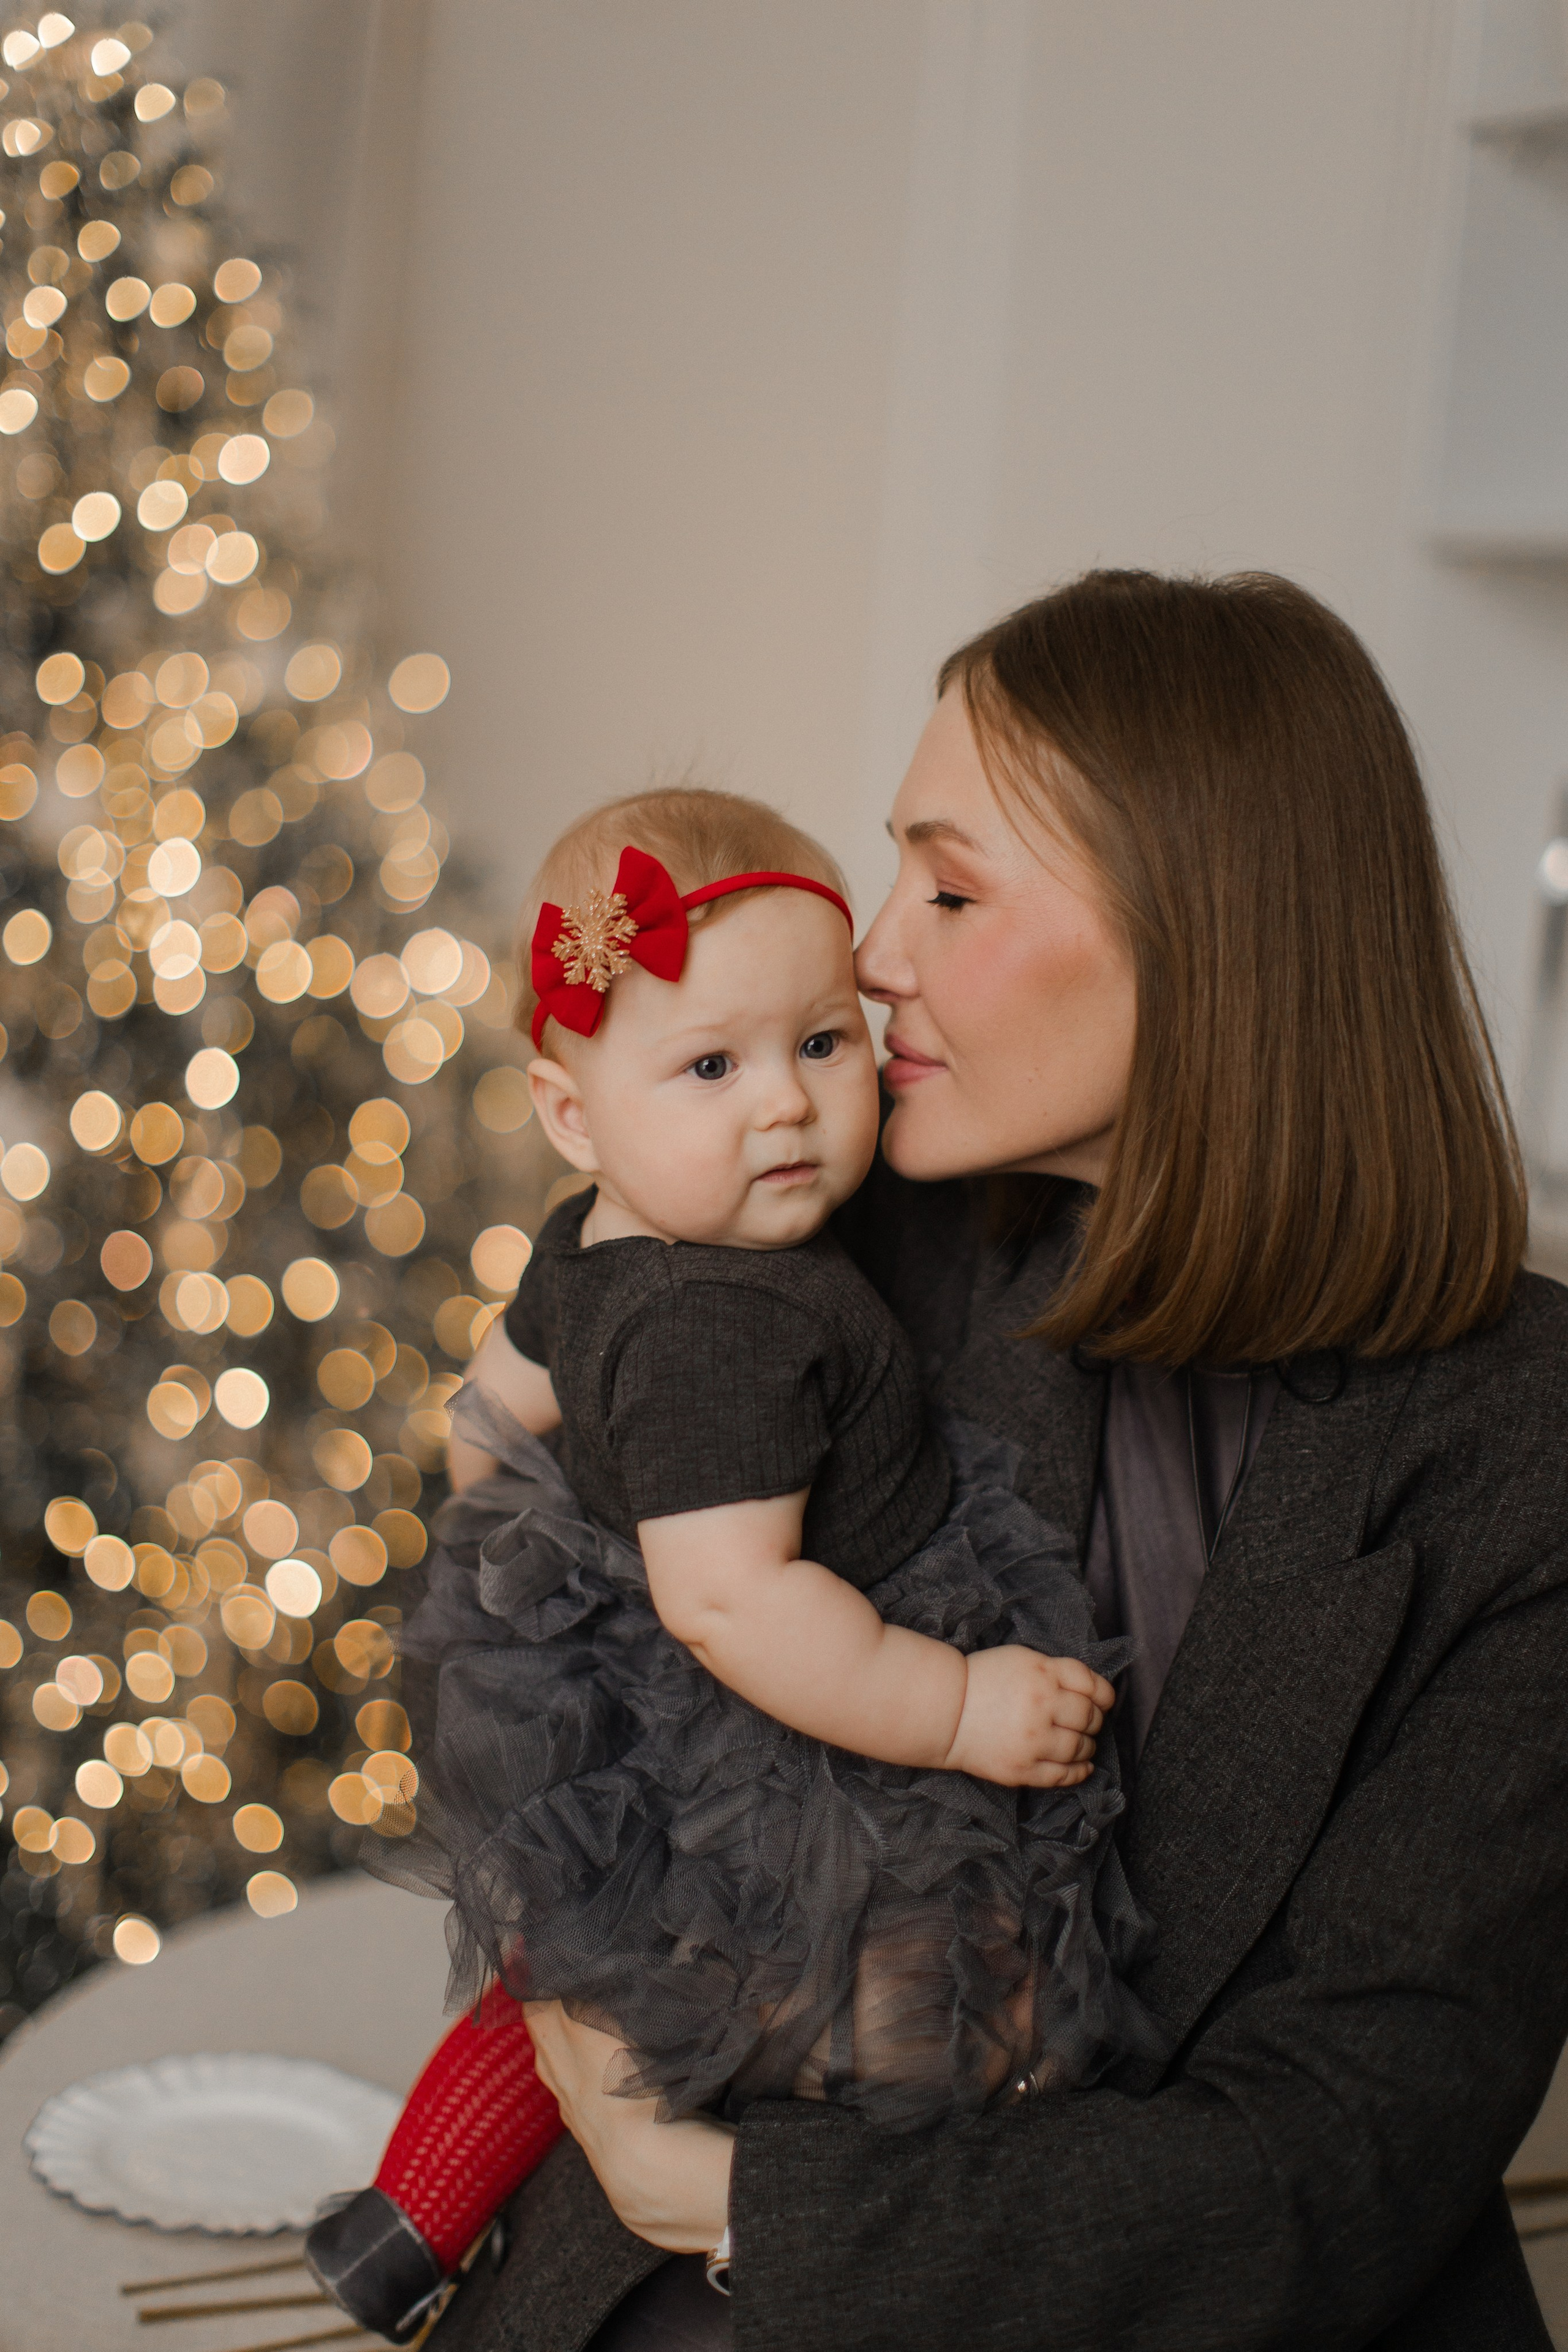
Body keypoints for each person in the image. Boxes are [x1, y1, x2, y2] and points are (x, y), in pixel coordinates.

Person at [418, 568, 1568, 2352]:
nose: (872, 958)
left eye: (950, 889)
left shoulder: (1521, 1441)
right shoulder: (841, 1234)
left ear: (1215, 936)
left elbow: (1338, 2154)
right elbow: (530, 1596)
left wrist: (732, 2200)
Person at [309, 786, 1160, 2343]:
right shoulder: (731, 1326)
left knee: (575, 1967)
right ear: (575, 1114)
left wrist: (504, 1484)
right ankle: (878, 2217)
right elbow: (731, 1597)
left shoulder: (592, 1232)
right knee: (904, 1999)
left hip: (666, 1666)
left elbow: (501, 1389)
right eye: (710, 1066)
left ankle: (411, 2212)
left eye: (821, 1043)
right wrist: (956, 1707)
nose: (783, 1105)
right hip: (805, 1703)